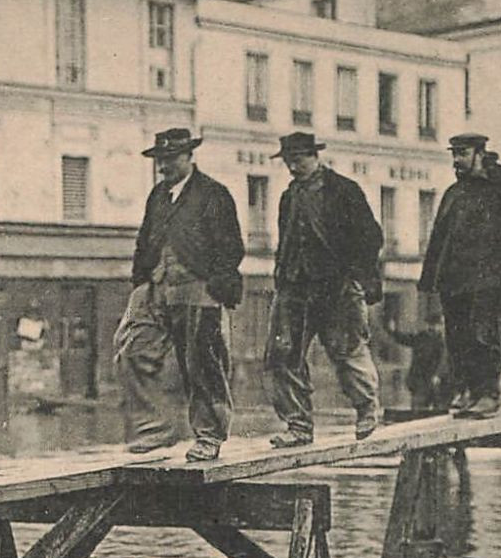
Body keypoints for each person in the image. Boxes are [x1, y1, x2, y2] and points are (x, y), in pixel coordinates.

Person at [116, 128, 244, 461]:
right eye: (161, 159)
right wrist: (141, 280)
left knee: (201, 363)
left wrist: (216, 286)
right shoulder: (158, 195)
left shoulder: (214, 194)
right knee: (132, 350)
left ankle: (210, 435)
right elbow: (144, 240)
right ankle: (157, 428)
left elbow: (231, 247)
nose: (164, 166)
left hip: (198, 288)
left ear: (189, 157)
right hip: (157, 286)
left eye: (171, 158)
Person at [263, 132, 384, 446]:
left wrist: (356, 277)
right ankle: (298, 426)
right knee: (282, 354)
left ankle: (368, 409)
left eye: (299, 159)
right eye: (288, 161)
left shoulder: (344, 191)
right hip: (294, 287)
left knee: (347, 352)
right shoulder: (289, 196)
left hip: (336, 287)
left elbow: (371, 237)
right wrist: (281, 275)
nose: (293, 166)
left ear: (315, 157)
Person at [417, 133, 501, 419]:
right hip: (456, 281)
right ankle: (468, 391)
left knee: (485, 335)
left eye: (462, 154)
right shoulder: (454, 193)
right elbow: (440, 238)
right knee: (458, 338)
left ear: (479, 154)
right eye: (454, 154)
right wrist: (433, 279)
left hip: (492, 281)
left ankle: (488, 393)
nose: (456, 161)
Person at [386, 312, 447, 411]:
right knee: (418, 406)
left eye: (437, 325)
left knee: (437, 408)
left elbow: (443, 360)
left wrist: (437, 375)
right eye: (430, 324)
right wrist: (393, 331)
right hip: (418, 377)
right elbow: (406, 339)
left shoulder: (442, 341)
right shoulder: (421, 337)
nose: (433, 327)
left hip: (433, 378)